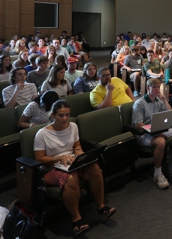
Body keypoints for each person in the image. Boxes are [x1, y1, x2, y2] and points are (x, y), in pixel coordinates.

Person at [34, 99, 116, 235]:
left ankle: (101, 208)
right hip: (52, 168)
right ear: (53, 116)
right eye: (61, 115)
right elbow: (39, 159)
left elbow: (77, 145)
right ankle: (76, 219)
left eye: (67, 114)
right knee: (70, 178)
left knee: (95, 168)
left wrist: (79, 152)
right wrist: (59, 158)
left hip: (72, 163)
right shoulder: (42, 134)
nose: (65, 118)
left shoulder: (73, 126)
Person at [132, 78, 172, 189]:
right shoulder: (139, 103)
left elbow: (170, 115)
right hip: (144, 134)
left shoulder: (158, 101)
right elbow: (138, 125)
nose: (157, 90)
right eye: (154, 87)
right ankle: (157, 173)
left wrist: (165, 101)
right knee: (160, 142)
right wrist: (155, 132)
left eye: (158, 87)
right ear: (148, 88)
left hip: (159, 129)